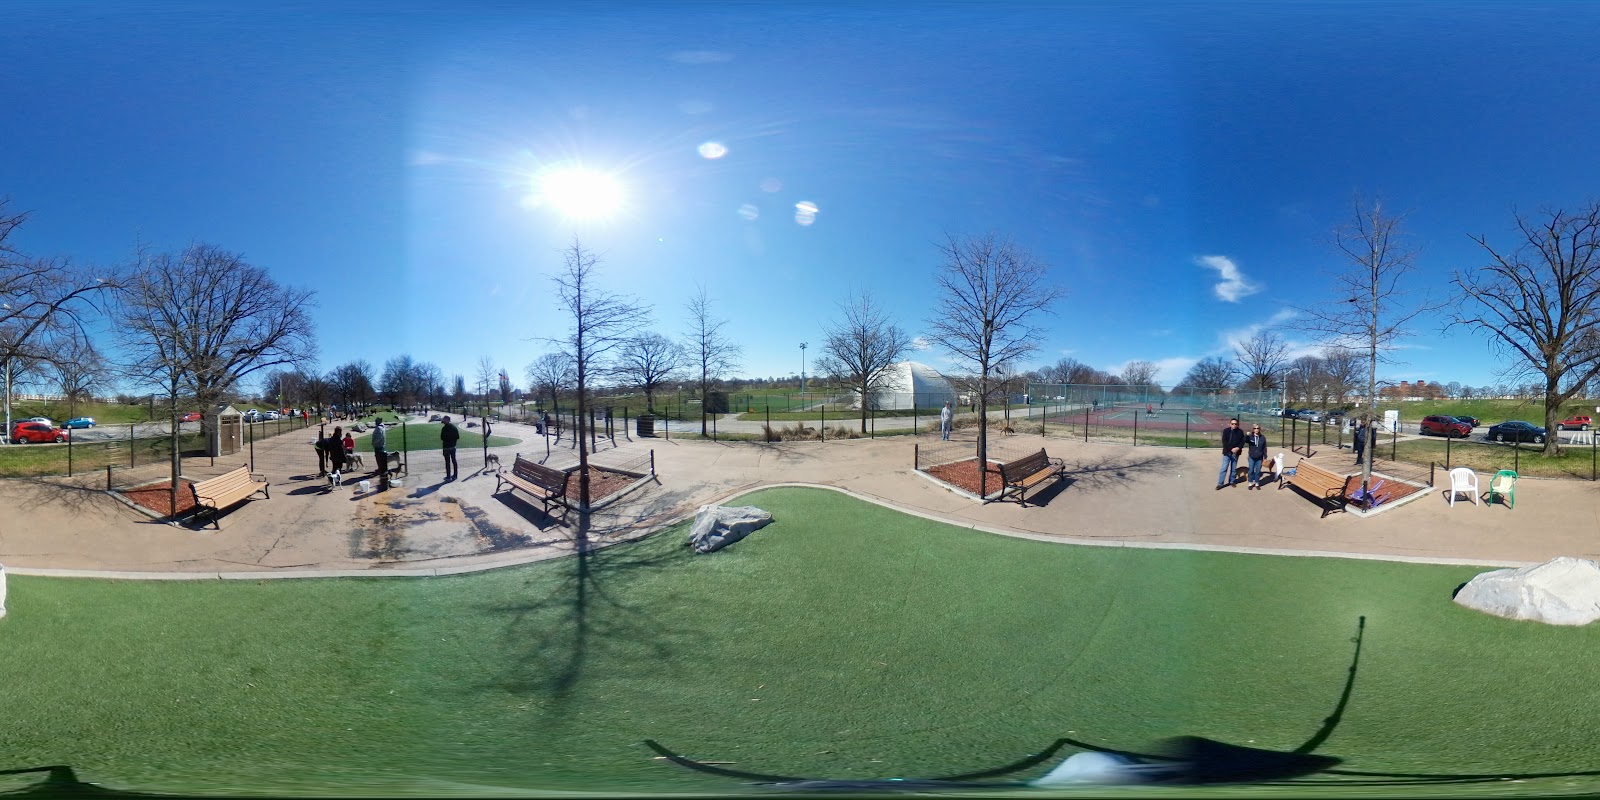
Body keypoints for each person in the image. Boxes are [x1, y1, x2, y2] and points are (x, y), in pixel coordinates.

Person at [1218, 418, 1245, 490]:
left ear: (1238, 425)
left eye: (1236, 424)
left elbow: (1242, 441)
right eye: (1232, 424)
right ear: (1230, 424)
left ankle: (1232, 481)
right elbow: (1224, 441)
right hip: (1227, 453)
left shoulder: (1240, 432)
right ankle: (1220, 483)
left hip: (1236, 453)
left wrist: (1238, 448)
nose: (1234, 425)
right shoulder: (1226, 431)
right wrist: (1231, 449)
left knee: (1233, 469)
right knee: (1224, 468)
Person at [1245, 423, 1269, 489]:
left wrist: (1265, 457)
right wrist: (1246, 435)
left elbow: (1264, 448)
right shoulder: (1250, 436)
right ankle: (1250, 483)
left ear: (1259, 429)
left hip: (1259, 457)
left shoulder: (1262, 437)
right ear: (1253, 429)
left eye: (1257, 428)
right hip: (1251, 457)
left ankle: (1257, 483)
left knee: (1258, 471)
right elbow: (1245, 440)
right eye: (1255, 428)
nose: (1256, 430)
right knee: (1251, 470)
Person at [440, 415, 460, 480]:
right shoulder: (454, 427)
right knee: (454, 460)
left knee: (447, 462)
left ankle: (448, 476)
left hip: (446, 447)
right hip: (453, 447)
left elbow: (442, 437)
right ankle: (455, 475)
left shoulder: (444, 428)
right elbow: (457, 437)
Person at [371, 418, 389, 482]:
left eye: (376, 421)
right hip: (381, 445)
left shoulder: (379, 428)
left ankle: (381, 470)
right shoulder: (382, 427)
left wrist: (374, 443)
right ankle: (380, 468)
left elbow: (379, 437)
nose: (375, 422)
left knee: (379, 458)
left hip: (378, 446)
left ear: (379, 421)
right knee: (380, 458)